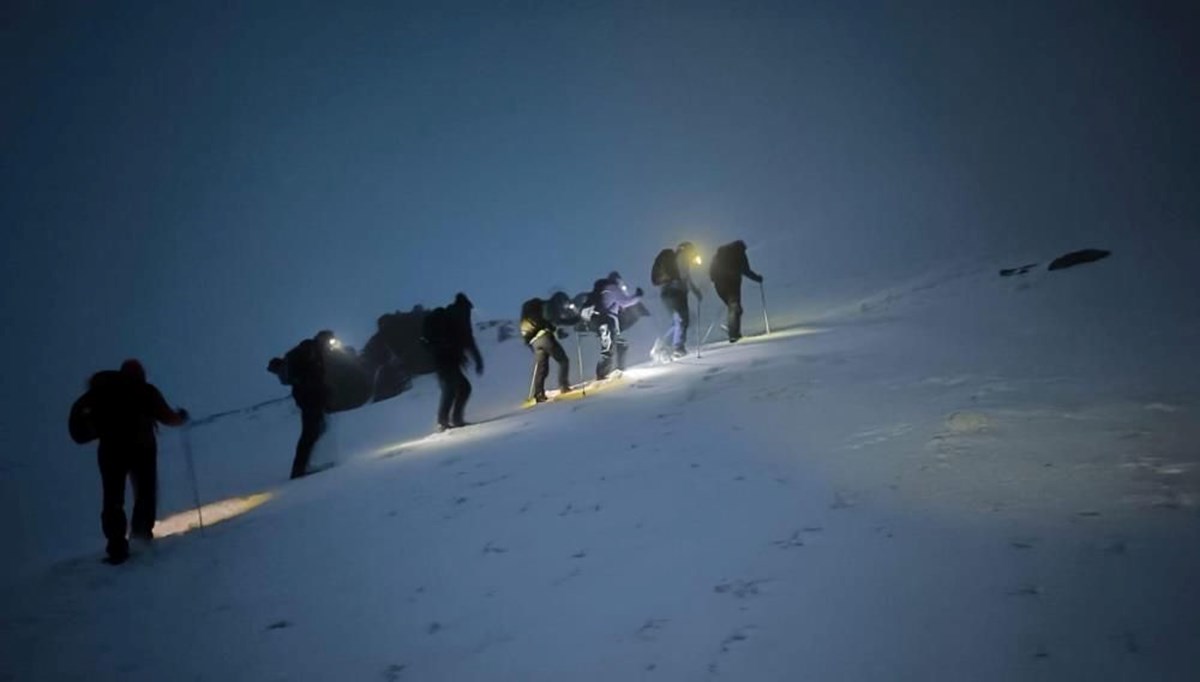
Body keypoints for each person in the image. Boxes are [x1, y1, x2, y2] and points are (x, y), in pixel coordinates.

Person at [68, 360, 188, 564]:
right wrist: (181, 417)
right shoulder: (144, 391)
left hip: (110, 452)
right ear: (140, 374)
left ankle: (116, 546)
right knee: (145, 492)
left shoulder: (100, 395)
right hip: (142, 450)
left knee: (113, 498)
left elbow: (77, 426)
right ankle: (141, 537)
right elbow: (166, 416)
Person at [422, 292, 484, 430]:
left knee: (457, 388)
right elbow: (469, 340)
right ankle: (446, 421)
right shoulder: (460, 315)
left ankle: (450, 420)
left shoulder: (450, 314)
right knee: (456, 388)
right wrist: (478, 360)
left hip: (442, 358)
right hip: (447, 358)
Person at [285, 334, 330, 479]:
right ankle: (299, 470)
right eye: (329, 341)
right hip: (309, 398)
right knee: (309, 434)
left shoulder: (314, 352)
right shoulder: (310, 351)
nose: (329, 345)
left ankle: (304, 466)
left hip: (309, 398)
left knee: (316, 430)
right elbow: (313, 378)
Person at [652, 241, 704, 358]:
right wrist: (696, 291)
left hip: (667, 292)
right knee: (681, 320)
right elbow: (685, 277)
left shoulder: (676, 258)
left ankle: (663, 346)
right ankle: (677, 348)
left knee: (679, 321)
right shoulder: (683, 257)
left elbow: (685, 277)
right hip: (676, 292)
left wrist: (694, 291)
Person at [709, 240, 764, 343]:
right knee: (734, 307)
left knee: (734, 308)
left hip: (719, 286)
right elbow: (746, 270)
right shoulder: (739, 254)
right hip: (732, 284)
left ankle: (732, 328)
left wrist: (715, 279)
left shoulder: (719, 255)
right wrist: (757, 278)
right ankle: (733, 334)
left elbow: (711, 272)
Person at [593, 272, 643, 380]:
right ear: (617, 280)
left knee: (621, 344)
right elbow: (625, 302)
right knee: (608, 349)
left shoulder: (606, 289)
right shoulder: (612, 288)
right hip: (607, 321)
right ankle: (601, 375)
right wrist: (637, 296)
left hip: (607, 321)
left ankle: (619, 370)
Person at [520, 297, 571, 402]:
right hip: (545, 337)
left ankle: (539, 394)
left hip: (534, 342)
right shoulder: (546, 307)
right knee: (563, 360)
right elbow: (552, 321)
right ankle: (564, 386)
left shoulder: (527, 315)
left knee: (542, 368)